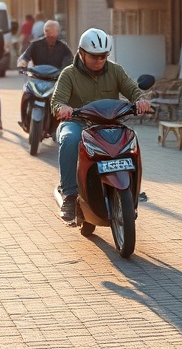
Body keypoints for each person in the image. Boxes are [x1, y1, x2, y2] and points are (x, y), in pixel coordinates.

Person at [51, 28, 152, 222]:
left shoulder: (115, 70)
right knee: (69, 139)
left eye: (103, 56)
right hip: (78, 123)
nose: (99, 61)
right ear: (81, 53)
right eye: (94, 56)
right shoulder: (69, 74)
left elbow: (133, 90)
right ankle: (70, 196)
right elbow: (56, 102)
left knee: (131, 138)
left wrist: (141, 100)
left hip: (109, 125)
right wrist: (62, 108)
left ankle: (132, 190)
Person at [16, 19, 73, 131]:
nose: (50, 33)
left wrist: (68, 69)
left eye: (53, 31)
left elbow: (70, 60)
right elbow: (25, 56)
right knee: (26, 93)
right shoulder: (35, 44)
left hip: (55, 81)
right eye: (47, 30)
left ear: (57, 32)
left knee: (65, 99)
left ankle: (59, 125)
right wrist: (22, 62)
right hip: (36, 79)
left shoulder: (63, 47)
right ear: (44, 31)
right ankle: (24, 120)